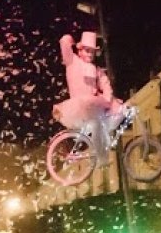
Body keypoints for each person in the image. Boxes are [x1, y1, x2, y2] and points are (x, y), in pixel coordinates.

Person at [53, 31, 124, 162]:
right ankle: (101, 157)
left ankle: (101, 150)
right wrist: (70, 40)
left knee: (108, 117)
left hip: (92, 106)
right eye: (87, 50)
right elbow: (64, 43)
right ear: (80, 50)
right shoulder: (72, 61)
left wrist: (108, 99)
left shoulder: (96, 70)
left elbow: (105, 84)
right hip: (79, 106)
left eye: (92, 51)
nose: (90, 54)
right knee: (97, 122)